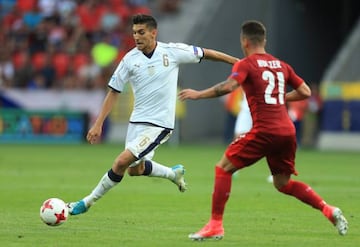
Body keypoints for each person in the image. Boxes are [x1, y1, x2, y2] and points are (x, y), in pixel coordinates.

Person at [178, 20, 348, 240]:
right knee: (283, 183)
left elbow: (228, 87)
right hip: (287, 131)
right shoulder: (281, 65)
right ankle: (328, 209)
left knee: (223, 168)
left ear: (244, 41)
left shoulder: (246, 64)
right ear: (264, 40)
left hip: (265, 131)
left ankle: (215, 225)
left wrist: (198, 94)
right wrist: (280, 98)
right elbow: (305, 91)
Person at [67, 14, 239, 216]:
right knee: (134, 170)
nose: (136, 37)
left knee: (121, 162)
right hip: (136, 122)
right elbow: (114, 91)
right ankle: (173, 174)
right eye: (134, 33)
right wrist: (98, 124)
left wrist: (237, 62)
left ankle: (87, 202)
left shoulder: (172, 51)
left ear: (153, 33)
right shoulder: (129, 59)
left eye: (141, 32)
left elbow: (206, 53)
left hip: (159, 124)